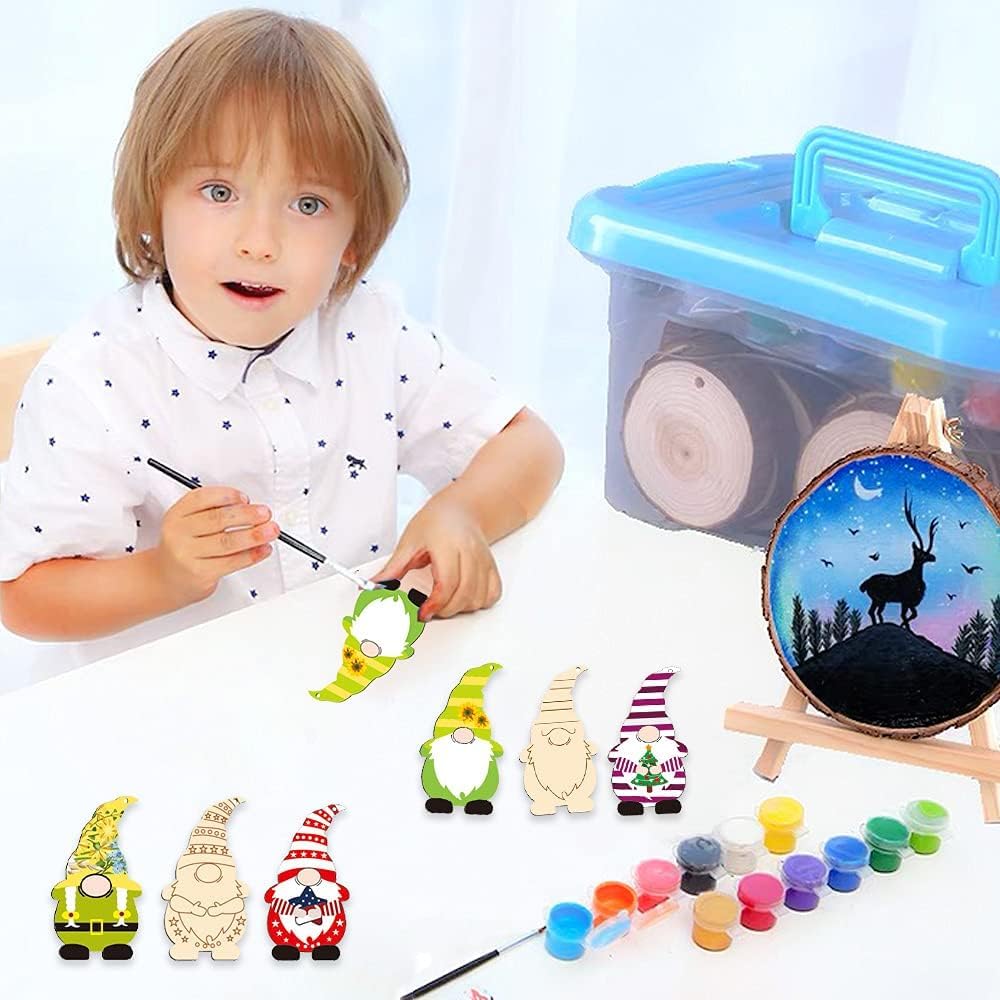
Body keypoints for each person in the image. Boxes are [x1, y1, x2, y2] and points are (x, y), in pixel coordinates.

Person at [0, 9, 563, 675]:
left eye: (307, 205)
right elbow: (23, 596)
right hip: (152, 725)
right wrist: (166, 575)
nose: (259, 242)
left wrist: (461, 515)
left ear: (354, 236)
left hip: (332, 692)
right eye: (219, 191)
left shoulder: (367, 330)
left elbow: (530, 446)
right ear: (155, 203)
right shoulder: (94, 381)